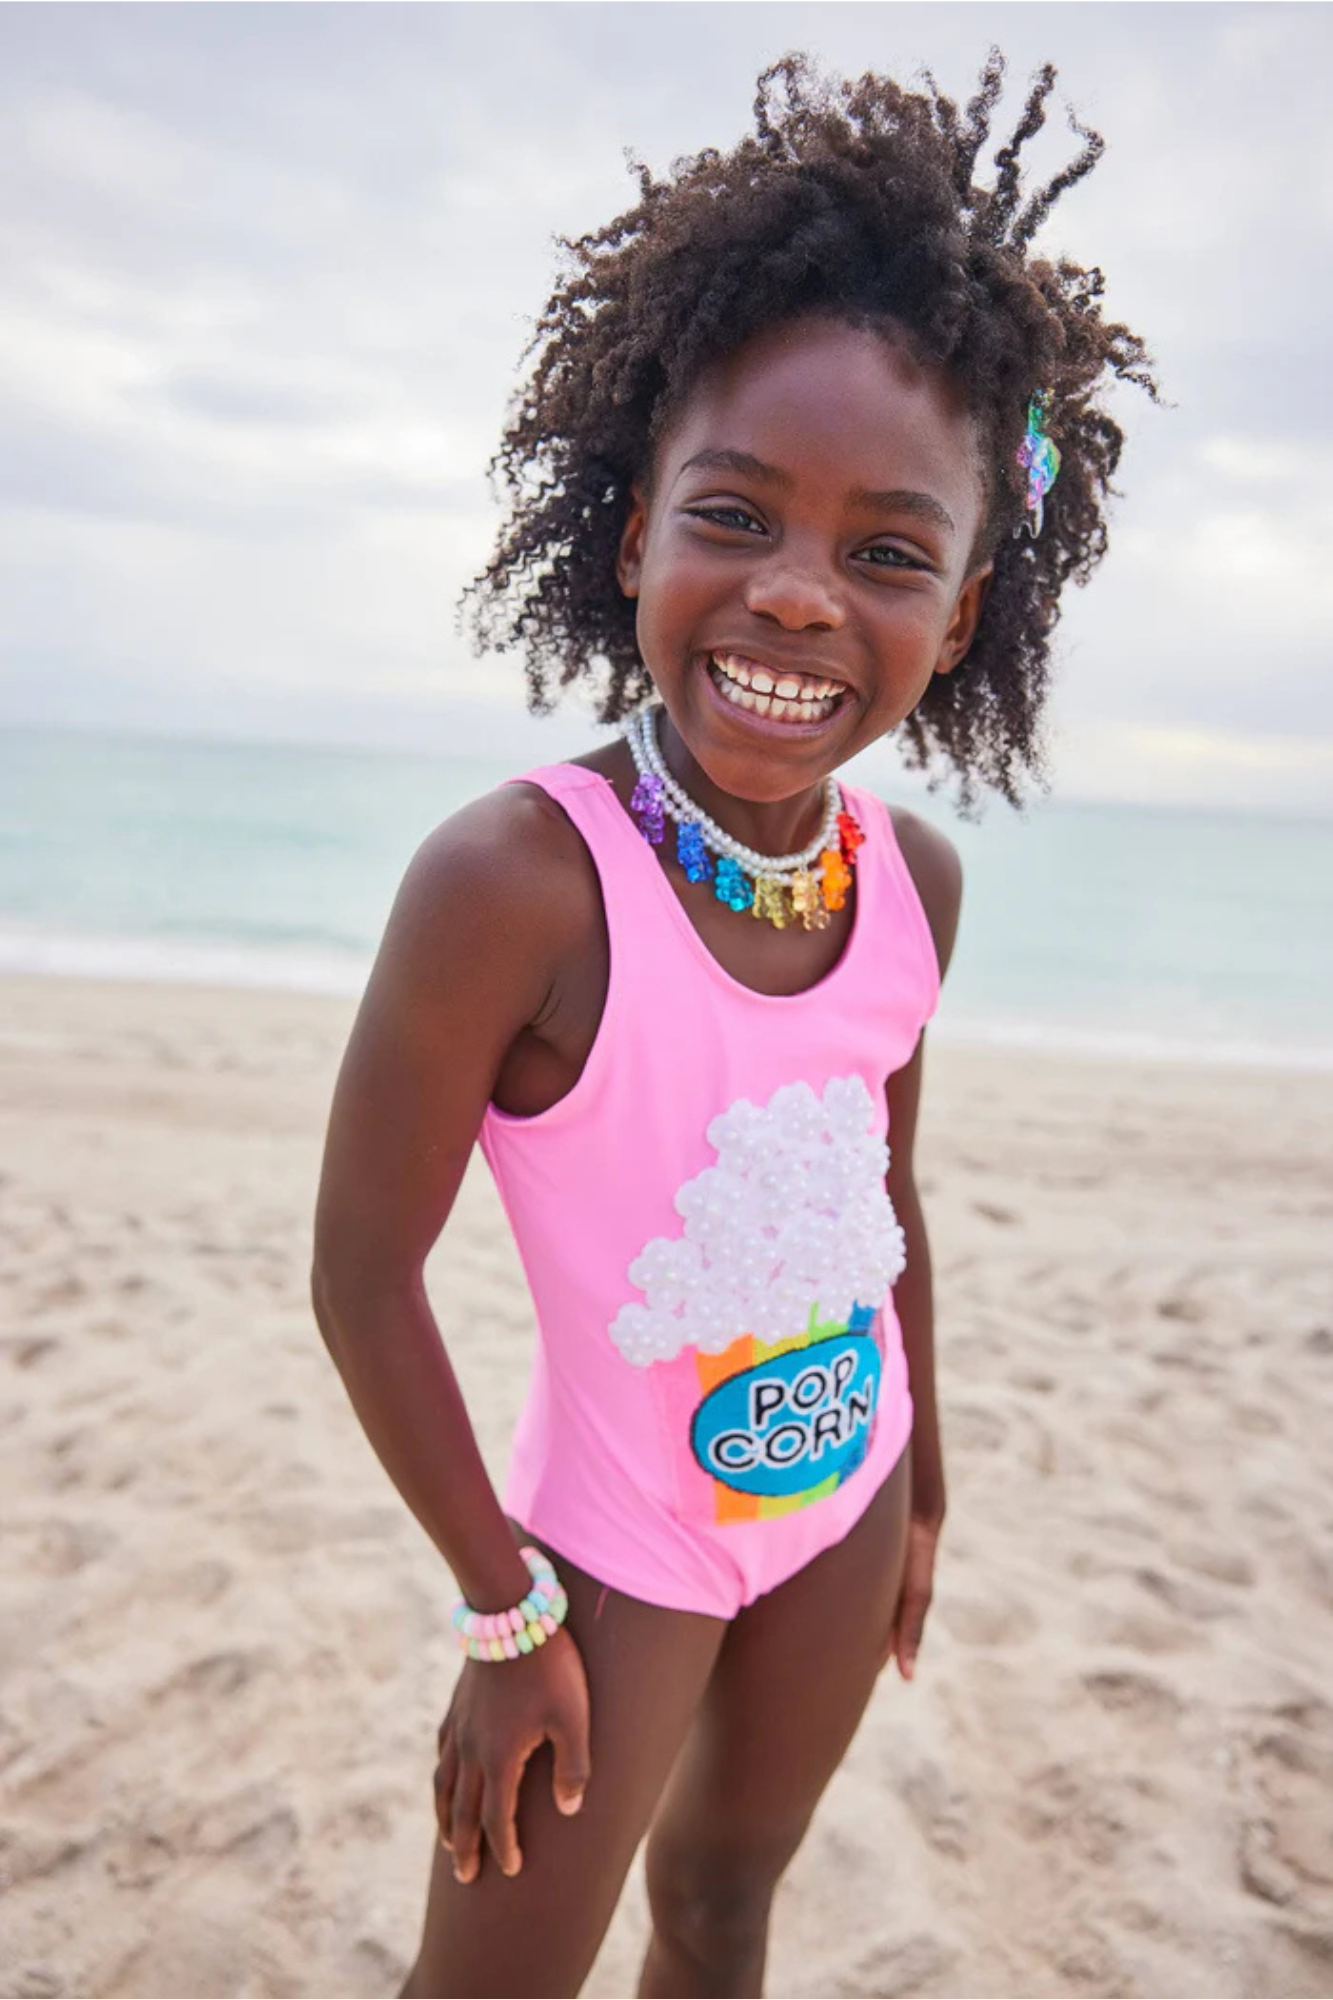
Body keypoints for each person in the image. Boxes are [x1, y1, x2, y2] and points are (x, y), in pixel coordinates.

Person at [310, 48, 1156, 1999]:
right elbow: (361, 1274)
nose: (794, 598)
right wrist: (502, 1610)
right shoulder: (516, 884)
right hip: (613, 1560)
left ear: (962, 614)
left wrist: (922, 1479)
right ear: (634, 537)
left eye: (887, 553)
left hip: (842, 1503)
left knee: (721, 1911)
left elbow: (882, 1201)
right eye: (735, 516)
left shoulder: (913, 881)